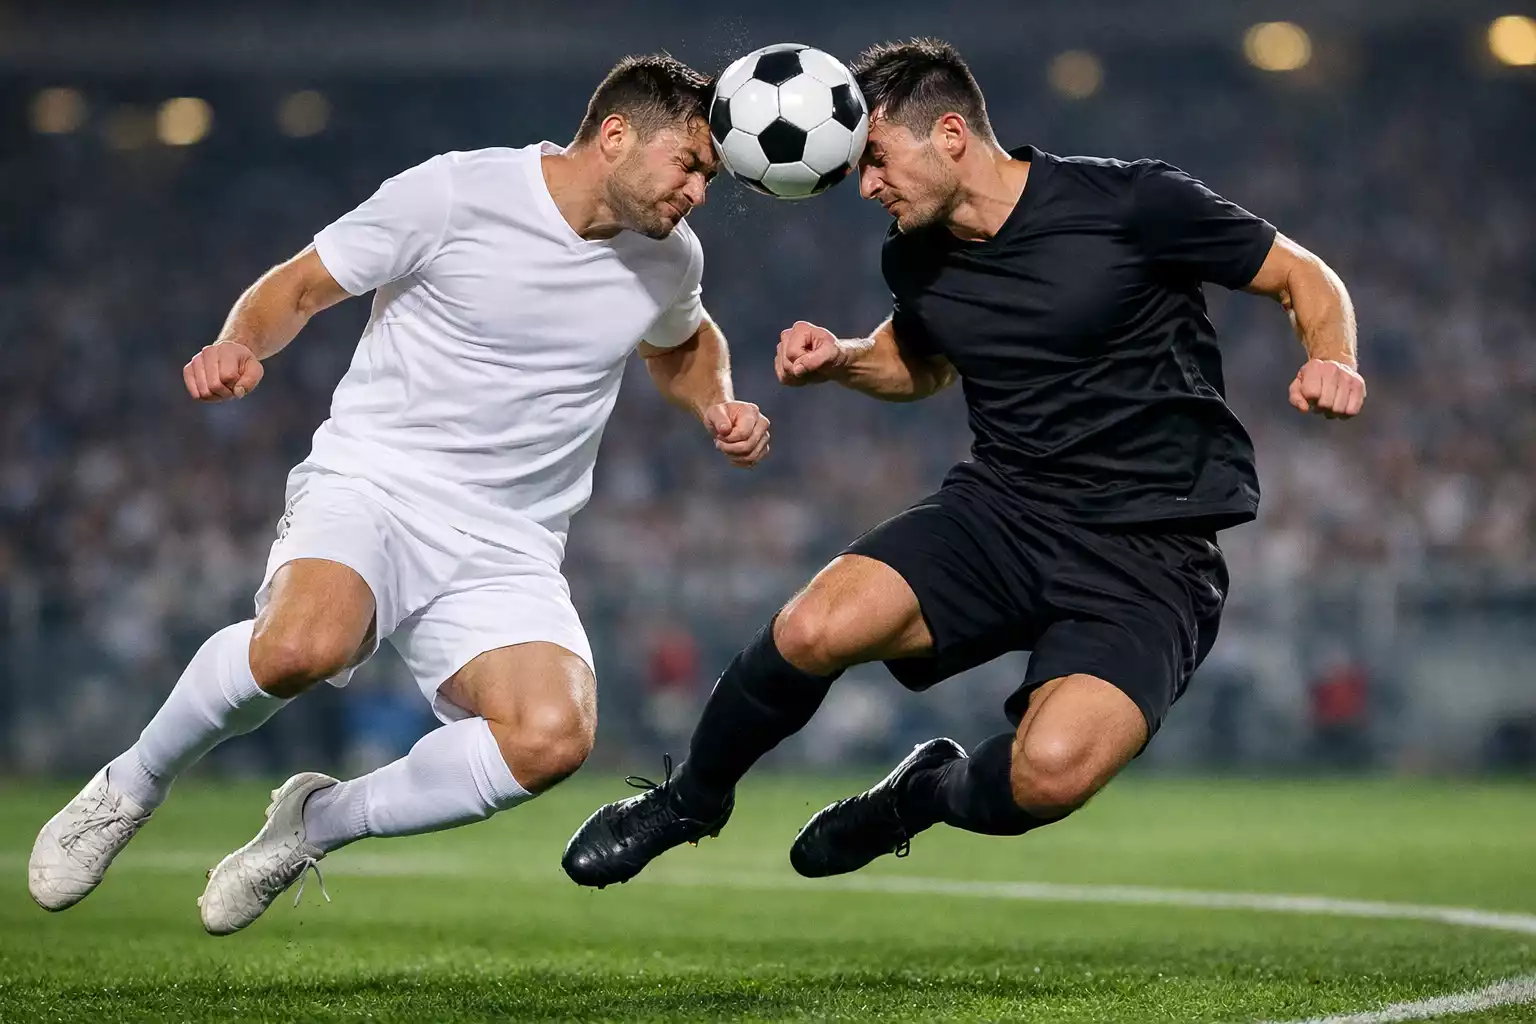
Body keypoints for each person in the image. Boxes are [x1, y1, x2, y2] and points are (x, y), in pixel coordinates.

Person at [561, 38, 1364, 888]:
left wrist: (1333, 358)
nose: (866, 187)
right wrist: (843, 358)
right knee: (812, 627)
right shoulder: (914, 256)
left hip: (1152, 549)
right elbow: (923, 364)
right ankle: (691, 800)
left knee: (1049, 774)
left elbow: (1304, 277)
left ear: (950, 134)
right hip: (1005, 512)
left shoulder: (1131, 200)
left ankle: (922, 794)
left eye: (875, 162)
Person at [29, 54, 769, 934]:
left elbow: (681, 343)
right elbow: (302, 284)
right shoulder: (455, 194)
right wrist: (242, 346)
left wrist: (719, 403)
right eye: (688, 165)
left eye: (707, 176)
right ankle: (130, 785)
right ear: (615, 135)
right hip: (378, 481)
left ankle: (316, 823)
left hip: (511, 541)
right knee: (301, 648)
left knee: (550, 736)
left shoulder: (669, 257)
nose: (696, 191)